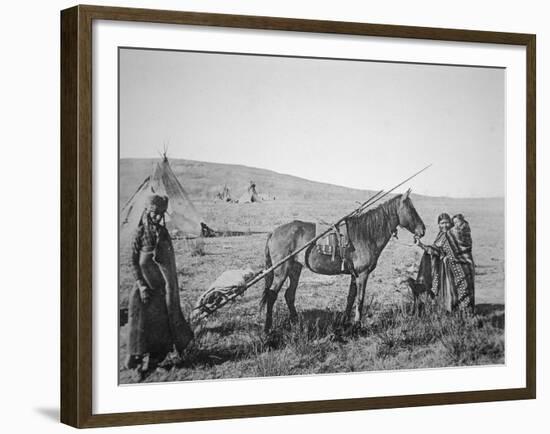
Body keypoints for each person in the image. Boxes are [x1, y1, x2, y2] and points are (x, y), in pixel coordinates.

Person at [125, 194, 194, 372]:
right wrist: (141, 286)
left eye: (161, 214)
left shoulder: (163, 234)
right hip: (143, 290)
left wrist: (169, 289)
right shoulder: (139, 233)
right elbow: (133, 262)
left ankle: (156, 359)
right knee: (139, 324)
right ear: (147, 211)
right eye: (154, 213)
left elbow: (168, 264)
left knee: (160, 326)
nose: (157, 217)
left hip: (160, 291)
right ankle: (136, 355)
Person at [413, 212, 475, 314]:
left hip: (463, 266)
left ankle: (466, 315)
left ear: (451, 223)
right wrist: (420, 244)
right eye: (442, 223)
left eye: (447, 222)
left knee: (464, 290)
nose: (444, 225)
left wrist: (449, 256)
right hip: (450, 268)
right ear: (438, 225)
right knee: (453, 291)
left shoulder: (454, 233)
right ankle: (455, 313)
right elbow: (436, 250)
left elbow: (463, 248)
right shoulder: (442, 235)